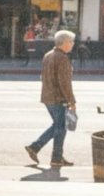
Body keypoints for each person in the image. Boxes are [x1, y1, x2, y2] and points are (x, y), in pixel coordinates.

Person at [25, 30, 77, 167]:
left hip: (47, 97)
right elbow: (65, 83)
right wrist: (72, 102)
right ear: (64, 43)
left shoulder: (48, 55)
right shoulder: (63, 58)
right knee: (61, 128)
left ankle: (37, 148)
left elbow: (42, 77)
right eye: (71, 41)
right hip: (58, 99)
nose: (72, 44)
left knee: (57, 126)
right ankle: (55, 157)